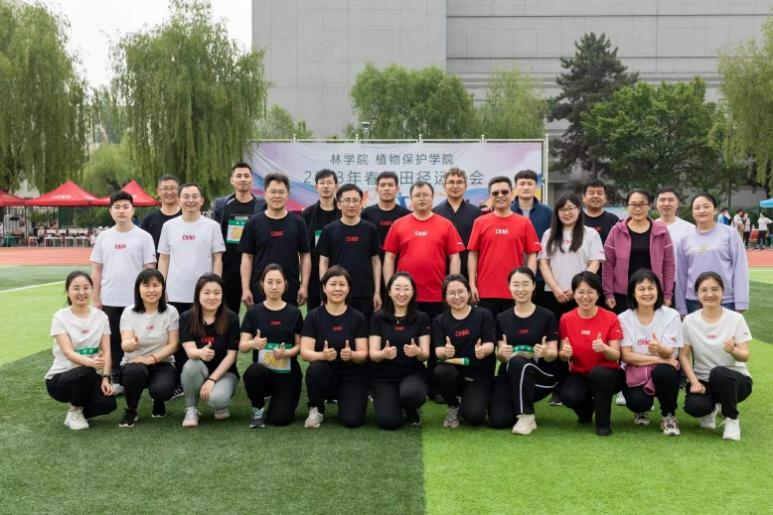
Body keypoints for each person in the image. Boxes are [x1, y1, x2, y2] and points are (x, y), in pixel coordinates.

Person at [158, 182, 225, 395]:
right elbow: (164, 258)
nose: (190, 200)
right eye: (186, 196)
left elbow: (217, 258)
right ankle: (180, 382)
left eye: (195, 196)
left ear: (202, 200)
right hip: (176, 292)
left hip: (205, 295)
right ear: (179, 200)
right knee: (179, 339)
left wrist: (216, 287)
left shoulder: (212, 226)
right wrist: (162, 285)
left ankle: (210, 378)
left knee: (206, 336)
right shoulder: (169, 226)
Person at [90, 191, 157, 395]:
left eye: (125, 207)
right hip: (110, 299)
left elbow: (150, 269)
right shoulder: (104, 237)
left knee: (139, 340)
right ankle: (116, 378)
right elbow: (97, 269)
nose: (121, 211)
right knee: (113, 342)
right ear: (110, 211)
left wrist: (150, 296)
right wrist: (96, 298)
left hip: (137, 301)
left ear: (133, 210)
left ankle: (141, 377)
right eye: (117, 207)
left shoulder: (144, 237)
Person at [680, 272, 752, 441]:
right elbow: (683, 356)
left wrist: (733, 350)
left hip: (735, 380)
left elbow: (745, 356)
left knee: (719, 373)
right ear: (697, 294)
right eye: (704, 290)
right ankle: (711, 407)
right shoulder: (689, 321)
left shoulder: (736, 319)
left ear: (722, 292)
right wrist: (694, 382)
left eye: (715, 289)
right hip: (704, 381)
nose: (710, 294)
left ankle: (732, 418)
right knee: (694, 407)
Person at [488, 267, 559, 435]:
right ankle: (518, 405)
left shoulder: (547, 316)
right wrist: (501, 354)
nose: (520, 289)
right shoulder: (502, 318)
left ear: (534, 286)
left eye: (525, 284)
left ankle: (527, 415)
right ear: (509, 286)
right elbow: (502, 356)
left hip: (539, 377)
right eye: (516, 284)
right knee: (499, 420)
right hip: (510, 375)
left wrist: (545, 353)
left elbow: (553, 354)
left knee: (518, 362)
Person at [45, 271, 116, 430]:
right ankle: (74, 411)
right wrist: (89, 362)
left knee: (108, 404)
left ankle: (82, 410)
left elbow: (107, 352)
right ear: (68, 291)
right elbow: (68, 352)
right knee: (86, 371)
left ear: (92, 289)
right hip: (60, 379)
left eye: (86, 287)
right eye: (76, 288)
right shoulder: (60, 317)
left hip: (88, 375)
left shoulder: (101, 317)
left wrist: (106, 378)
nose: (82, 292)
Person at [301, 266, 369, 428]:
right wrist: (322, 356)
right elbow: (305, 352)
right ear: (324, 288)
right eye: (333, 284)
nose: (337, 288)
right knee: (316, 368)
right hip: (324, 374)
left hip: (351, 376)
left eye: (342, 284)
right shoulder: (313, 317)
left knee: (352, 420)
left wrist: (352, 355)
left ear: (349, 288)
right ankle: (316, 408)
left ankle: (346, 399)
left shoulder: (358, 317)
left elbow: (364, 353)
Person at [383, 180, 464, 318]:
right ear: (411, 199)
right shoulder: (398, 225)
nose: (421, 198)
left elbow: (455, 258)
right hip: (404, 295)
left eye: (425, 195)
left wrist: (452, 287)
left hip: (437, 294)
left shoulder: (446, 225)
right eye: (417, 195)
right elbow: (389, 258)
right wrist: (390, 288)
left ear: (432, 198)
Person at [557, 271, 624, 436]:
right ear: (574, 294)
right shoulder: (566, 319)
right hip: (580, 373)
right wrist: (565, 353)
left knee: (599, 374)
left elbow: (616, 355)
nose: (585, 297)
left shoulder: (611, 317)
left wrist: (605, 348)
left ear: (597, 294)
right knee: (568, 396)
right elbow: (564, 354)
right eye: (580, 292)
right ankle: (586, 411)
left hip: (609, 374)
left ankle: (603, 424)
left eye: (590, 292)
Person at [618, 270, 682, 435]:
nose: (647, 293)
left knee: (666, 371)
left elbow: (670, 353)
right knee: (637, 402)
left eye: (651, 288)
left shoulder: (671, 315)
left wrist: (660, 349)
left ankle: (668, 415)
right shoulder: (624, 318)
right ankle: (641, 411)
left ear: (658, 290)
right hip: (636, 371)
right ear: (633, 292)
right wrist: (660, 358)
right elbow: (626, 356)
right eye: (641, 289)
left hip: (662, 370)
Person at [240, 264, 303, 428]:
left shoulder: (294, 313)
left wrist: (286, 353)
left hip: (287, 374)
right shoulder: (253, 313)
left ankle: (282, 401)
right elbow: (243, 346)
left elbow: (300, 347)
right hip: (263, 372)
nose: (274, 286)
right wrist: (253, 343)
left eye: (278, 282)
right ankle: (258, 410)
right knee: (253, 371)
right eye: (269, 282)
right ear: (262, 284)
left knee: (280, 420)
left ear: (285, 284)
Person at [468, 176, 541, 317]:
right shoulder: (480, 222)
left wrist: (528, 283)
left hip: (516, 291)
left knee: (513, 330)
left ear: (512, 194)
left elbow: (532, 254)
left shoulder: (524, 223)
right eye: (495, 193)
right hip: (486, 291)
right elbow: (473, 254)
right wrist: (472, 284)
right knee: (488, 330)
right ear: (490, 196)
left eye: (504, 192)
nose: (500, 196)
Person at [369, 272, 431, 429]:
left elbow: (425, 355)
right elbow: (373, 354)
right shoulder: (378, 317)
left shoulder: (421, 318)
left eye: (406, 289)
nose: (402, 293)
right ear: (389, 292)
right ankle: (394, 404)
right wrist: (383, 354)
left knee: (412, 394)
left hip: (412, 373)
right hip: (384, 376)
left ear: (413, 292)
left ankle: (410, 407)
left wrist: (418, 352)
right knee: (388, 422)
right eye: (397, 288)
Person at [117, 269, 179, 427]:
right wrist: (129, 345)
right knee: (135, 371)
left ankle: (159, 401)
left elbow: (173, 345)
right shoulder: (129, 312)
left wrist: (151, 359)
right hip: (134, 363)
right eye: (146, 285)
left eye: (155, 285)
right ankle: (131, 410)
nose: (151, 290)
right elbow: (125, 343)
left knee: (162, 390)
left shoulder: (171, 312)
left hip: (162, 363)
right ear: (138, 289)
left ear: (162, 288)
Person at [432, 274, 496, 428]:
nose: (457, 297)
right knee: (441, 371)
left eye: (461, 291)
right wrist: (445, 352)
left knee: (474, 417)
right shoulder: (439, 320)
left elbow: (490, 344)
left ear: (468, 292)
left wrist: (483, 350)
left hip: (478, 376)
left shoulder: (484, 315)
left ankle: (481, 400)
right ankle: (453, 406)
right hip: (454, 375)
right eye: (451, 293)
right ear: (445, 296)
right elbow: (438, 351)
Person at [239, 172, 311, 307]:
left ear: (288, 194)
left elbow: (305, 256)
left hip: (290, 288)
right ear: (265, 194)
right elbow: (247, 257)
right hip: (260, 289)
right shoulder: (253, 223)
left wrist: (304, 286)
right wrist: (245, 288)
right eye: (273, 192)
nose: (277, 196)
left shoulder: (298, 222)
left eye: (281, 192)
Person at [178, 274, 240, 427]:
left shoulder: (231, 318)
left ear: (222, 295)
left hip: (225, 373)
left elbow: (231, 356)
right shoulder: (186, 317)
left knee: (217, 399)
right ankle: (191, 408)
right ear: (198, 294)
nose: (212, 297)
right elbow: (190, 351)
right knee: (192, 364)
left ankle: (220, 404)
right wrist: (200, 353)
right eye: (206, 292)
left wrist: (212, 380)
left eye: (217, 293)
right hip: (198, 369)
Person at [317, 183, 381, 323]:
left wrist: (377, 292)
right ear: (339, 204)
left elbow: (376, 261)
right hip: (337, 292)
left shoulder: (370, 229)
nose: (351, 205)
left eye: (355, 200)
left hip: (365, 292)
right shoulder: (329, 230)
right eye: (347, 200)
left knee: (363, 331)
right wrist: (325, 291)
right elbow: (323, 262)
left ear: (361, 203)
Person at [675, 193, 749, 315]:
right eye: (697, 208)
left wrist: (741, 302)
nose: (701, 210)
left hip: (725, 300)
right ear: (692, 213)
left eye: (706, 206)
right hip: (694, 301)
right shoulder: (685, 239)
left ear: (715, 210)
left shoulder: (730, 234)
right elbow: (681, 275)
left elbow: (740, 268)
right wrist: (681, 307)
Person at [603, 189, 675, 314]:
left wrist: (668, 294)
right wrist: (608, 293)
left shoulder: (661, 231)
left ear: (649, 205)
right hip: (623, 294)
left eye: (642, 204)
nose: (637, 209)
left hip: (652, 292)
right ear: (627, 206)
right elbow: (608, 264)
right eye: (633, 205)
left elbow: (669, 265)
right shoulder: (616, 231)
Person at [211, 162, 267, 315]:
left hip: (256, 269)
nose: (243, 179)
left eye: (246, 176)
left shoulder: (262, 205)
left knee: (258, 314)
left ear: (251, 179)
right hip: (229, 269)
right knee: (227, 315)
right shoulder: (221, 205)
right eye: (239, 176)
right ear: (232, 180)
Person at [538, 192, 604, 320]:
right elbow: (543, 263)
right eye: (562, 209)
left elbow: (595, 263)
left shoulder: (591, 234)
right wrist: (555, 289)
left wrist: (577, 288)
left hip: (582, 295)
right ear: (557, 212)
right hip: (554, 294)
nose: (567, 213)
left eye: (570, 208)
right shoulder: (548, 234)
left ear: (578, 210)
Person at [301, 169, 341, 310]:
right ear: (316, 187)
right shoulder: (308, 213)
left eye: (329, 182)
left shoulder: (343, 212)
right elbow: (303, 247)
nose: (325, 186)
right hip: (314, 271)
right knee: (315, 311)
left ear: (336, 186)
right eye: (322, 183)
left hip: (339, 268)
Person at [432, 168, 481, 279]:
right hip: (440, 274)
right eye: (451, 182)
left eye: (459, 182)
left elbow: (479, 247)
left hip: (469, 274)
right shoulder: (435, 212)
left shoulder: (476, 213)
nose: (455, 186)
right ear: (444, 186)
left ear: (466, 186)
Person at [361, 171, 410, 255]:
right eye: (382, 185)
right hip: (373, 259)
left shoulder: (406, 215)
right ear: (377, 189)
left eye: (390, 185)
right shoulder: (367, 213)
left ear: (397, 189)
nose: (386, 188)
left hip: (398, 260)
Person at [140, 175, 182, 259]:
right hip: (156, 266)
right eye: (165, 189)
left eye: (173, 188)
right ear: (158, 191)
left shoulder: (187, 218)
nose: (169, 192)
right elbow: (142, 248)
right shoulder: (148, 220)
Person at [510, 169, 552, 241]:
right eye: (522, 184)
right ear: (515, 187)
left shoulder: (548, 212)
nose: (526, 187)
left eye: (530, 184)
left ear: (536, 187)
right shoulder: (507, 211)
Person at [582, 179, 619, 247]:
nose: (595, 196)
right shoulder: (576, 219)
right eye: (591, 193)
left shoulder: (613, 220)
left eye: (599, 193)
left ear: (605, 198)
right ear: (583, 197)